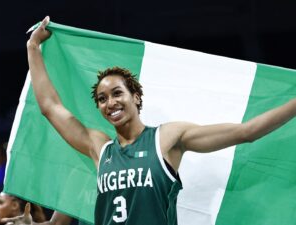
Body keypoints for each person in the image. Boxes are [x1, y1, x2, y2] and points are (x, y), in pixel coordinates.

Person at [25, 16, 296, 225]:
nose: (111, 103)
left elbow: (246, 132)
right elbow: (50, 106)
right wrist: (33, 47)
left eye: (117, 93)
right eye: (102, 98)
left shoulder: (166, 138)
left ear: (137, 97)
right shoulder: (99, 147)